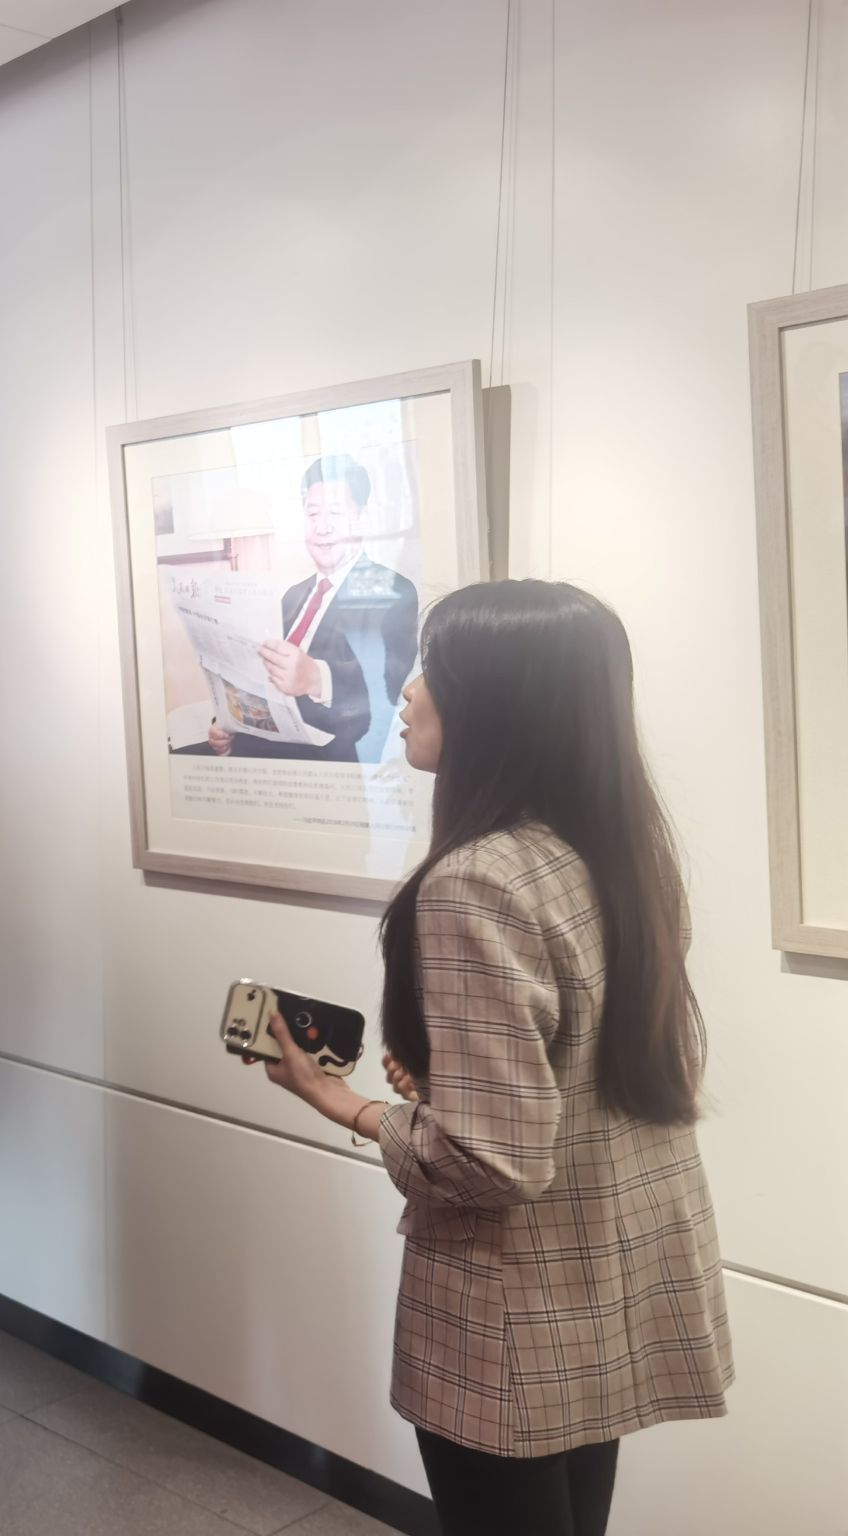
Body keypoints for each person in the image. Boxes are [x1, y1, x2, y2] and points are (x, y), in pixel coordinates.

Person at [258, 581, 733, 1536]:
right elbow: (583, 1070)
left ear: (500, 703)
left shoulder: (477, 879)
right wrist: (450, 1085)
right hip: (603, 1276)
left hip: (509, 1303)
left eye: (433, 667)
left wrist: (343, 1102)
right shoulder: (619, 852)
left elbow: (490, 1161)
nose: (408, 691)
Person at [207, 454, 420, 763]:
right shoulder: (293, 596)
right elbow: (258, 676)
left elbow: (386, 681)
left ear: (362, 518)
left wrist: (316, 677)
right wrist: (228, 722)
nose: (322, 527)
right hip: (261, 753)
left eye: (336, 512)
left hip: (330, 760)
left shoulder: (393, 590)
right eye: (312, 513)